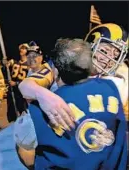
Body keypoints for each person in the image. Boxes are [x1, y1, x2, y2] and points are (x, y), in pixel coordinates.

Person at [14, 38, 127, 170]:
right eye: (104, 51)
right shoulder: (113, 87)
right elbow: (26, 85)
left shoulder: (38, 111)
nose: (109, 58)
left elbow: (24, 146)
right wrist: (43, 94)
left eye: (116, 54)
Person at [6, 43, 29, 122]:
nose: (21, 50)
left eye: (24, 48)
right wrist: (5, 63)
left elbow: (29, 80)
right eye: (21, 48)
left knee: (23, 110)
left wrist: (16, 83)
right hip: (12, 91)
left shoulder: (29, 64)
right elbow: (6, 65)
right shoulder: (14, 61)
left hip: (22, 92)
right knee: (11, 110)